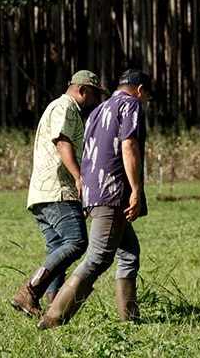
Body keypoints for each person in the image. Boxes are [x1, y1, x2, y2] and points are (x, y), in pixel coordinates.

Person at [39, 68, 150, 329]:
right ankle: (54, 317)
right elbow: (129, 145)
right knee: (98, 257)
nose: (146, 102)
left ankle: (131, 320)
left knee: (129, 253)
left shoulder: (97, 111)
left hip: (95, 191)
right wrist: (135, 189)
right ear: (140, 90)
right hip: (113, 192)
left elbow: (87, 153)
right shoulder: (132, 105)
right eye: (147, 97)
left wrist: (86, 193)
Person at [10, 69, 108, 317]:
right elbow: (63, 142)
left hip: (42, 194)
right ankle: (29, 292)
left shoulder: (66, 110)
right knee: (76, 241)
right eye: (94, 95)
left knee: (58, 248)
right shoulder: (64, 107)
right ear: (82, 89)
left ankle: (54, 309)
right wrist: (79, 178)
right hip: (57, 190)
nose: (95, 100)